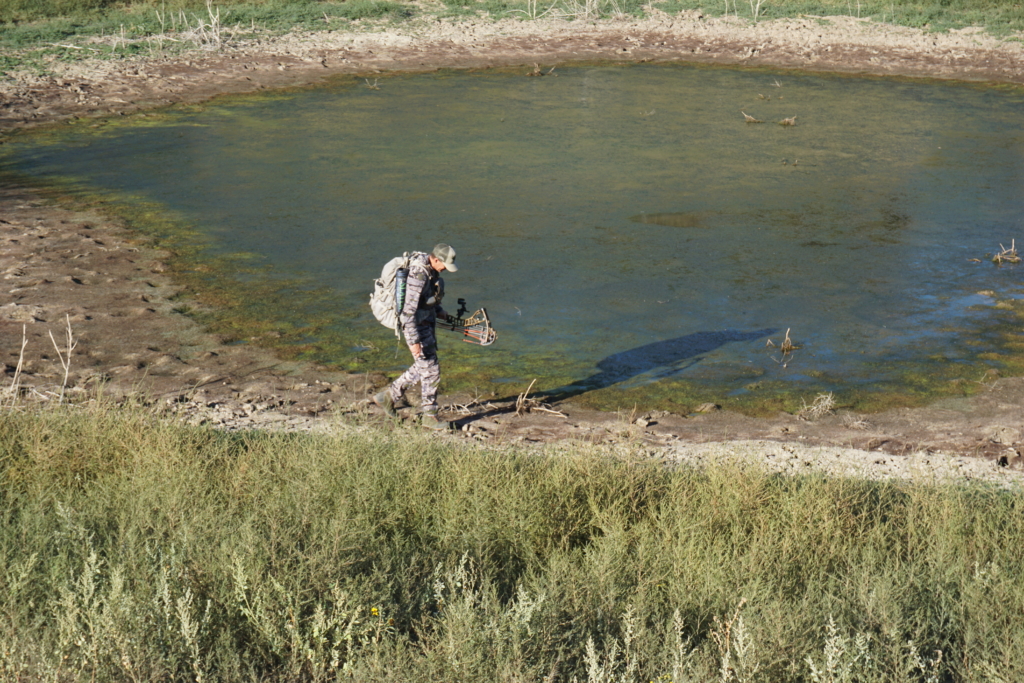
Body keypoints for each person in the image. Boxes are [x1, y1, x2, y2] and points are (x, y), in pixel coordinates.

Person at [374, 243, 458, 429]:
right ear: (435, 259)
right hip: (415, 326)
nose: (445, 269)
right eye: (444, 264)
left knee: (425, 366)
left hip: (425, 321)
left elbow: (426, 296)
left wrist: (439, 310)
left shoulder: (430, 268)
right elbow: (407, 312)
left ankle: (388, 396)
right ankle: (429, 414)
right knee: (431, 369)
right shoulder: (418, 274)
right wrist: (413, 342)